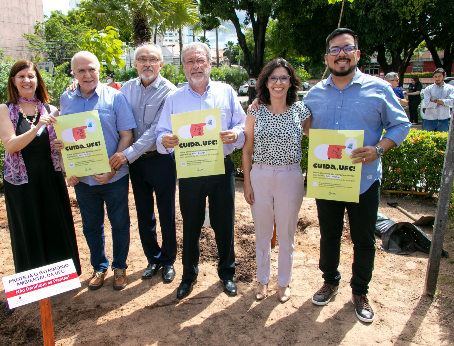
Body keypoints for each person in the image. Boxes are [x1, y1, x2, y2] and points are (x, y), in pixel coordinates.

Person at [303, 28, 410, 323]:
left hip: (364, 180)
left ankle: (360, 290)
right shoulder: (313, 94)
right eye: (335, 49)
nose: (341, 54)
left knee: (363, 239)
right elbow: (306, 127)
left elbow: (401, 125)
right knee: (329, 235)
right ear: (327, 57)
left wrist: (378, 149)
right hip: (328, 178)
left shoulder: (379, 89)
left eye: (347, 48)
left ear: (357, 54)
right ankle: (330, 280)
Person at [155, 42, 246, 300]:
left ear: (209, 63)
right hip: (190, 170)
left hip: (221, 169)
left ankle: (227, 273)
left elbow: (242, 125)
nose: (195, 66)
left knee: (224, 223)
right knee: (191, 223)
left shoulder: (226, 92)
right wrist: (165, 140)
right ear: (183, 66)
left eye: (200, 61)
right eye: (189, 62)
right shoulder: (174, 98)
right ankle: (188, 275)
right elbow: (161, 132)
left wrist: (235, 134)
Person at [54, 51, 136, 291]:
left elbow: (126, 135)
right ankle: (99, 267)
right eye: (81, 70)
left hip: (114, 178)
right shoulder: (66, 99)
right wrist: (67, 166)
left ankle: (120, 267)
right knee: (91, 226)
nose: (87, 74)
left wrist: (113, 168)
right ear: (74, 73)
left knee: (120, 224)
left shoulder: (115, 98)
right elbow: (64, 137)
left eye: (91, 69)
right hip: (83, 181)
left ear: (99, 70)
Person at [0, 60, 81, 275]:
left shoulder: (50, 109)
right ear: (13, 81)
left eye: (31, 76)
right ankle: (34, 278)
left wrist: (69, 170)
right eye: (21, 76)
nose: (27, 80)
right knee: (29, 227)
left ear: (38, 80)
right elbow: (11, 144)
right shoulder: (5, 110)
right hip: (21, 182)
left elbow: (59, 149)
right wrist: (38, 127)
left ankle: (61, 275)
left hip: (50, 177)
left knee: (55, 223)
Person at [243, 58, 311, 302]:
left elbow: (319, 137)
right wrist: (248, 184)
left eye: (284, 77)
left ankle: (284, 283)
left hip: (290, 177)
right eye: (274, 78)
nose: (279, 82)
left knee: (286, 234)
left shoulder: (301, 110)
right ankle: (262, 281)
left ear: (291, 82)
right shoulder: (255, 109)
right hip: (260, 176)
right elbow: (247, 149)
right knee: (262, 233)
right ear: (266, 82)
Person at [110, 44, 178, 282]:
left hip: (160, 160)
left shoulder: (170, 91)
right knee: (144, 213)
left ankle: (168, 260)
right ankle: (153, 258)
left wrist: (126, 154)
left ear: (161, 64)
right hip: (135, 164)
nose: (147, 64)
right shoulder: (125, 90)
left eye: (153, 59)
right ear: (135, 64)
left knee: (166, 212)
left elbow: (155, 131)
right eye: (142, 59)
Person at [422, 68, 454, 132]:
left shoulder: (450, 88)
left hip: (444, 119)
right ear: (433, 78)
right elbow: (426, 104)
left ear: (444, 76)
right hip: (429, 119)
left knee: (442, 140)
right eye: (435, 77)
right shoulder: (428, 89)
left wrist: (435, 101)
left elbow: (452, 102)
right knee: (427, 140)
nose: (437, 79)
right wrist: (444, 102)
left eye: (439, 76)